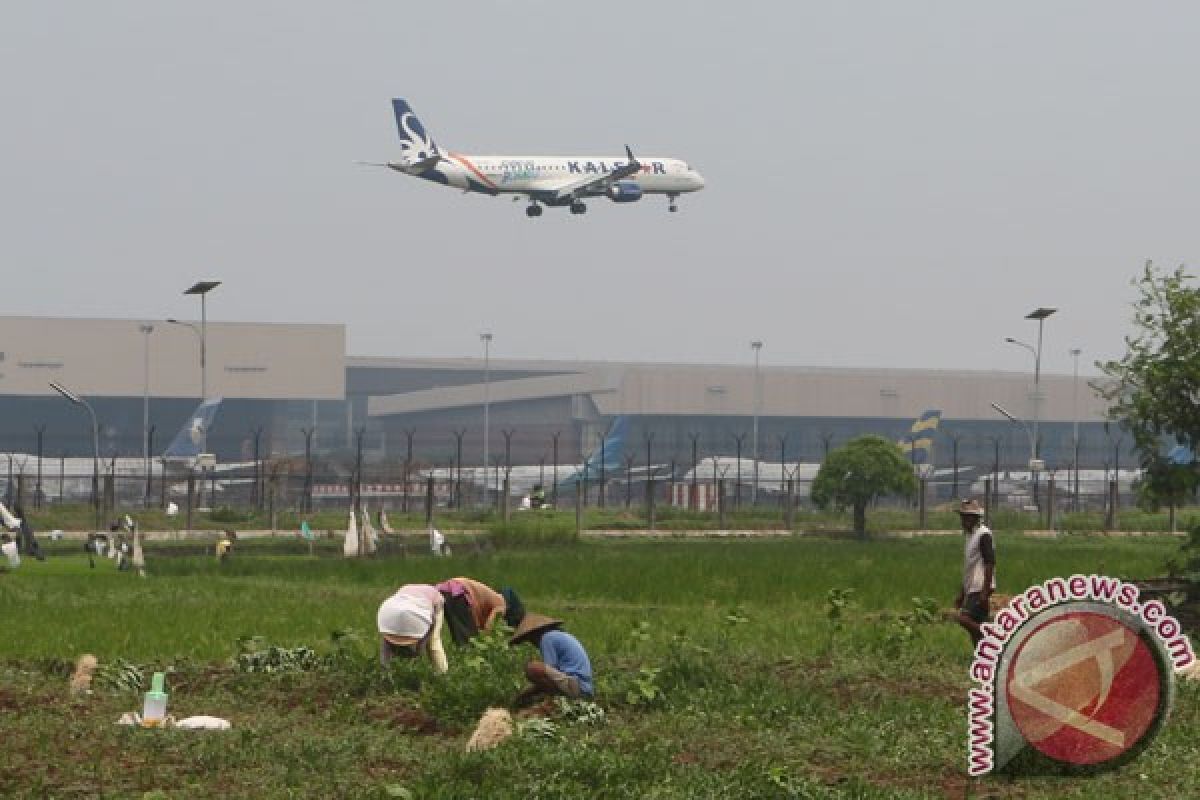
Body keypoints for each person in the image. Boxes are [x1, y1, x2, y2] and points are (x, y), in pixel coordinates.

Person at [510, 612, 593, 704]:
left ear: (535, 633)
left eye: (530, 638)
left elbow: (547, 674)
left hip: (576, 686)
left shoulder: (547, 638)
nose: (531, 642)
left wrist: (525, 694)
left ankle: (555, 701)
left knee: (532, 668)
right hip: (583, 687)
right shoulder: (556, 635)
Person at [376, 584, 448, 674]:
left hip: (427, 610)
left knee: (433, 641)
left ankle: (441, 673)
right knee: (391, 640)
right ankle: (388, 670)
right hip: (398, 610)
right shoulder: (405, 595)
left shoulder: (437, 599)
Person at [953, 498, 995, 648]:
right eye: (963, 517)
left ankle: (994, 638)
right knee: (975, 628)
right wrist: (962, 594)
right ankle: (985, 658)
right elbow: (969, 568)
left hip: (980, 586)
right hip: (972, 587)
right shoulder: (970, 536)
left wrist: (984, 591)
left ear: (976, 518)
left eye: (968, 517)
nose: (964, 520)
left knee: (964, 619)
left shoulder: (984, 535)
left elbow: (990, 563)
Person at [435, 577, 508, 645]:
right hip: (459, 592)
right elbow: (489, 627)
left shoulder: (493, 600)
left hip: (446, 590)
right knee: (469, 640)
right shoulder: (501, 604)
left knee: (459, 635)